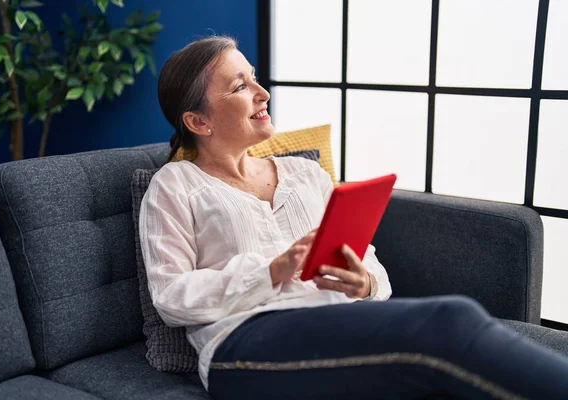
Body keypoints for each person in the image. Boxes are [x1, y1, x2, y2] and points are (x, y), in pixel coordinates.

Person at [140, 36, 568, 400]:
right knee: (450, 322)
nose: (262, 92)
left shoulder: (305, 174)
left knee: (446, 366)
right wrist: (272, 270)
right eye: (239, 86)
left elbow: (368, 260)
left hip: (337, 322)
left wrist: (364, 282)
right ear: (199, 121)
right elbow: (171, 297)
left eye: (254, 77)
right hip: (243, 343)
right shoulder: (174, 186)